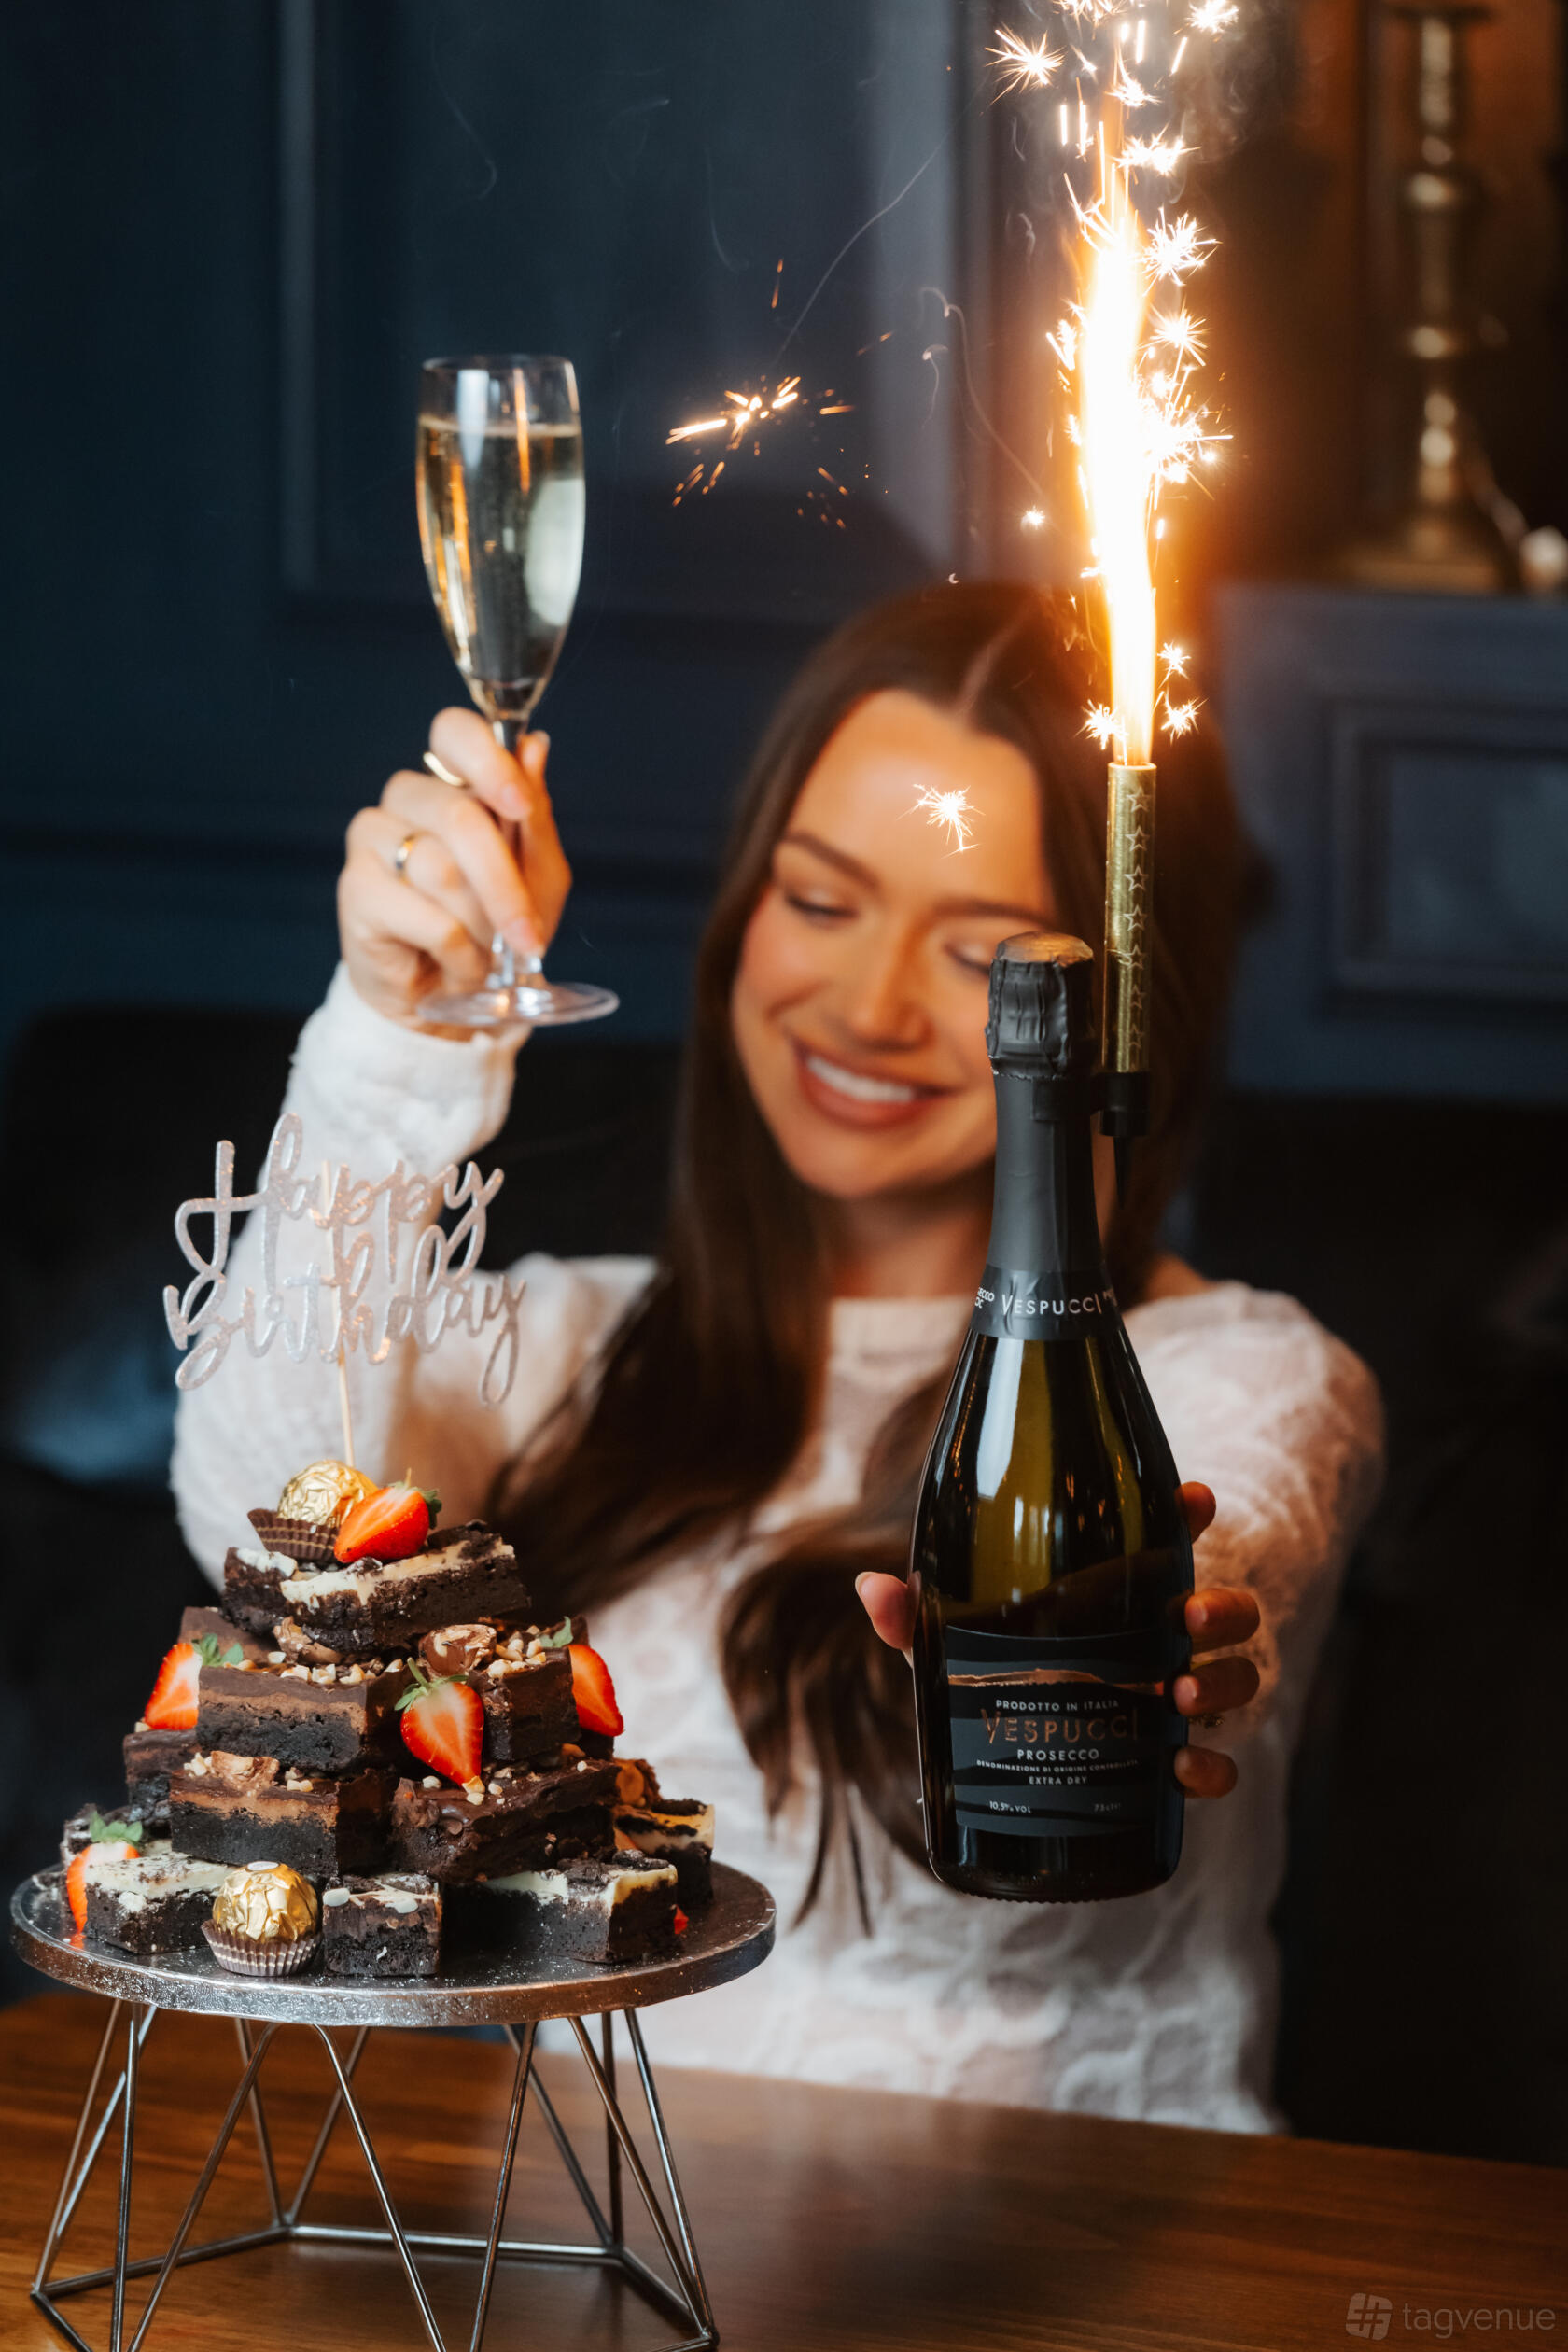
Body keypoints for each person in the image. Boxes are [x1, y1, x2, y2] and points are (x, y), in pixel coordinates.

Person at [173, 582, 1383, 2130]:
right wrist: (389, 1045)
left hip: (1080, 2265)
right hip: (603, 2256)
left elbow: (1237, 1550)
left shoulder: (1237, 1370)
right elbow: (260, 1521)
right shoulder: (568, 1342)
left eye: (981, 951)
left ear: (1092, 1011)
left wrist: (1191, 1637)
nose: (868, 1007)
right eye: (819, 903)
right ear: (741, 912)